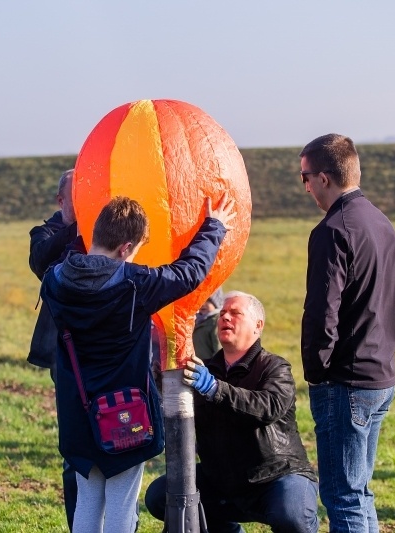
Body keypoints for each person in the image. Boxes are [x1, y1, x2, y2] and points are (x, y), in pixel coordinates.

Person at [40, 195, 235, 533]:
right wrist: (213, 228)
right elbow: (188, 272)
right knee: (121, 501)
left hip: (76, 411)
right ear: (126, 247)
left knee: (87, 499)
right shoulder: (135, 284)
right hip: (123, 412)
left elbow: (60, 260)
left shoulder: (56, 278)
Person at [145, 291, 320, 533]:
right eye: (223, 312)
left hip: (275, 477)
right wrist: (161, 380)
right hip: (221, 480)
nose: (225, 316)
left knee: (291, 516)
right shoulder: (202, 369)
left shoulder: (275, 367)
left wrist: (216, 389)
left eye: (235, 313)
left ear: (258, 326)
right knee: (158, 496)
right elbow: (175, 410)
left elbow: (268, 407)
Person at [298, 134, 395, 533]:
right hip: (380, 374)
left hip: (346, 382)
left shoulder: (332, 230)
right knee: (359, 492)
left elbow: (323, 313)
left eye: (304, 177)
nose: (305, 186)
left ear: (324, 178)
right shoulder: (382, 223)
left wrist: (317, 371)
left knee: (343, 496)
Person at [26, 169, 80, 529]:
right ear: (61, 200)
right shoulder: (45, 233)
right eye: (79, 191)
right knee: (75, 445)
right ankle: (79, 521)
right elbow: (41, 261)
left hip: (107, 348)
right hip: (65, 351)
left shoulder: (101, 231)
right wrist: (76, 227)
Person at [192, 287, 223, 360]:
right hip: (198, 363)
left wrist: (216, 364)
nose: (203, 304)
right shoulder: (197, 319)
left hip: (210, 364)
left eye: (207, 300)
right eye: (200, 299)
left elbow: (218, 347)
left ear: (216, 303)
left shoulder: (216, 321)